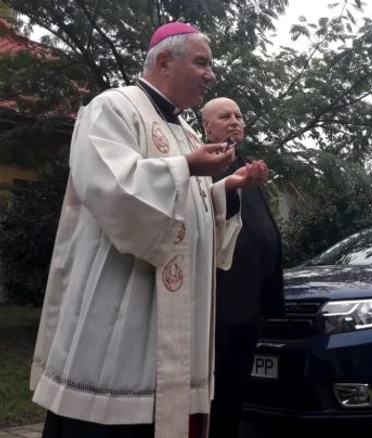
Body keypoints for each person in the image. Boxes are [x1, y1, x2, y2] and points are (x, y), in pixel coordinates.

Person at [30, 23, 268, 438]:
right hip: (120, 313)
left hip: (172, 319)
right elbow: (111, 188)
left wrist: (225, 191)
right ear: (163, 61)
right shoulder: (113, 108)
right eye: (201, 63)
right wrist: (188, 167)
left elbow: (191, 208)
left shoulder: (187, 132)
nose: (211, 75)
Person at [200, 97, 285, 438]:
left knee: (237, 388)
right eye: (224, 116)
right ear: (206, 126)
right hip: (219, 304)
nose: (234, 121)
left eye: (238, 116)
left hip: (251, 305)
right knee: (214, 390)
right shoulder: (201, 163)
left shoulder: (248, 166)